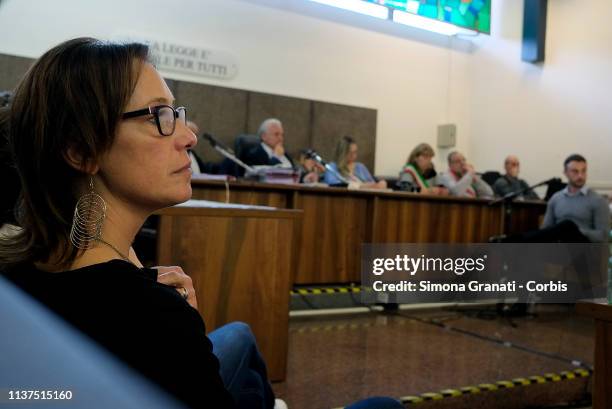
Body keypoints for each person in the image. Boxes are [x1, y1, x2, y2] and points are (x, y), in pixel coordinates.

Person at [0, 38, 403, 409]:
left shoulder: (22, 271)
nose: (189, 137)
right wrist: (181, 326)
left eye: (177, 113)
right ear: (80, 150)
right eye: (159, 116)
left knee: (241, 337)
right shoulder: (157, 318)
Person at [540, 154, 610, 243]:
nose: (580, 176)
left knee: (567, 226)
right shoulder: (556, 198)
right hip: (558, 246)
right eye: (575, 171)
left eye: (583, 171)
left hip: (585, 249)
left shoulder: (598, 200)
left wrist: (577, 231)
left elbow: (604, 236)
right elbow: (546, 229)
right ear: (566, 173)